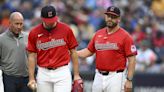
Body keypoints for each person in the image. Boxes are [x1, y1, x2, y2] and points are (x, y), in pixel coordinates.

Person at [77, 6, 137, 92]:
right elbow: (88, 51)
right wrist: (73, 53)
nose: (110, 19)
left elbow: (132, 60)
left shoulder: (125, 36)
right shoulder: (98, 34)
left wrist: (129, 80)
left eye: (113, 17)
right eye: (108, 16)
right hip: (98, 75)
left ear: (118, 19)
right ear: (105, 17)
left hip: (116, 76)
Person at [27, 5, 82, 92]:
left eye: (52, 19)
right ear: (42, 18)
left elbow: (73, 52)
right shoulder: (34, 32)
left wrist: (76, 75)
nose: (51, 22)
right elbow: (31, 56)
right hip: (43, 72)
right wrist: (31, 78)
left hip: (62, 71)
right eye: (48, 21)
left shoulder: (66, 29)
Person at [0, 12, 31, 92]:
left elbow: (32, 57)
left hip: (26, 78)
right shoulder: (1, 39)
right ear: (10, 23)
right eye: (16, 24)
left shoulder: (28, 37)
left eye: (21, 24)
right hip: (9, 78)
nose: (19, 26)